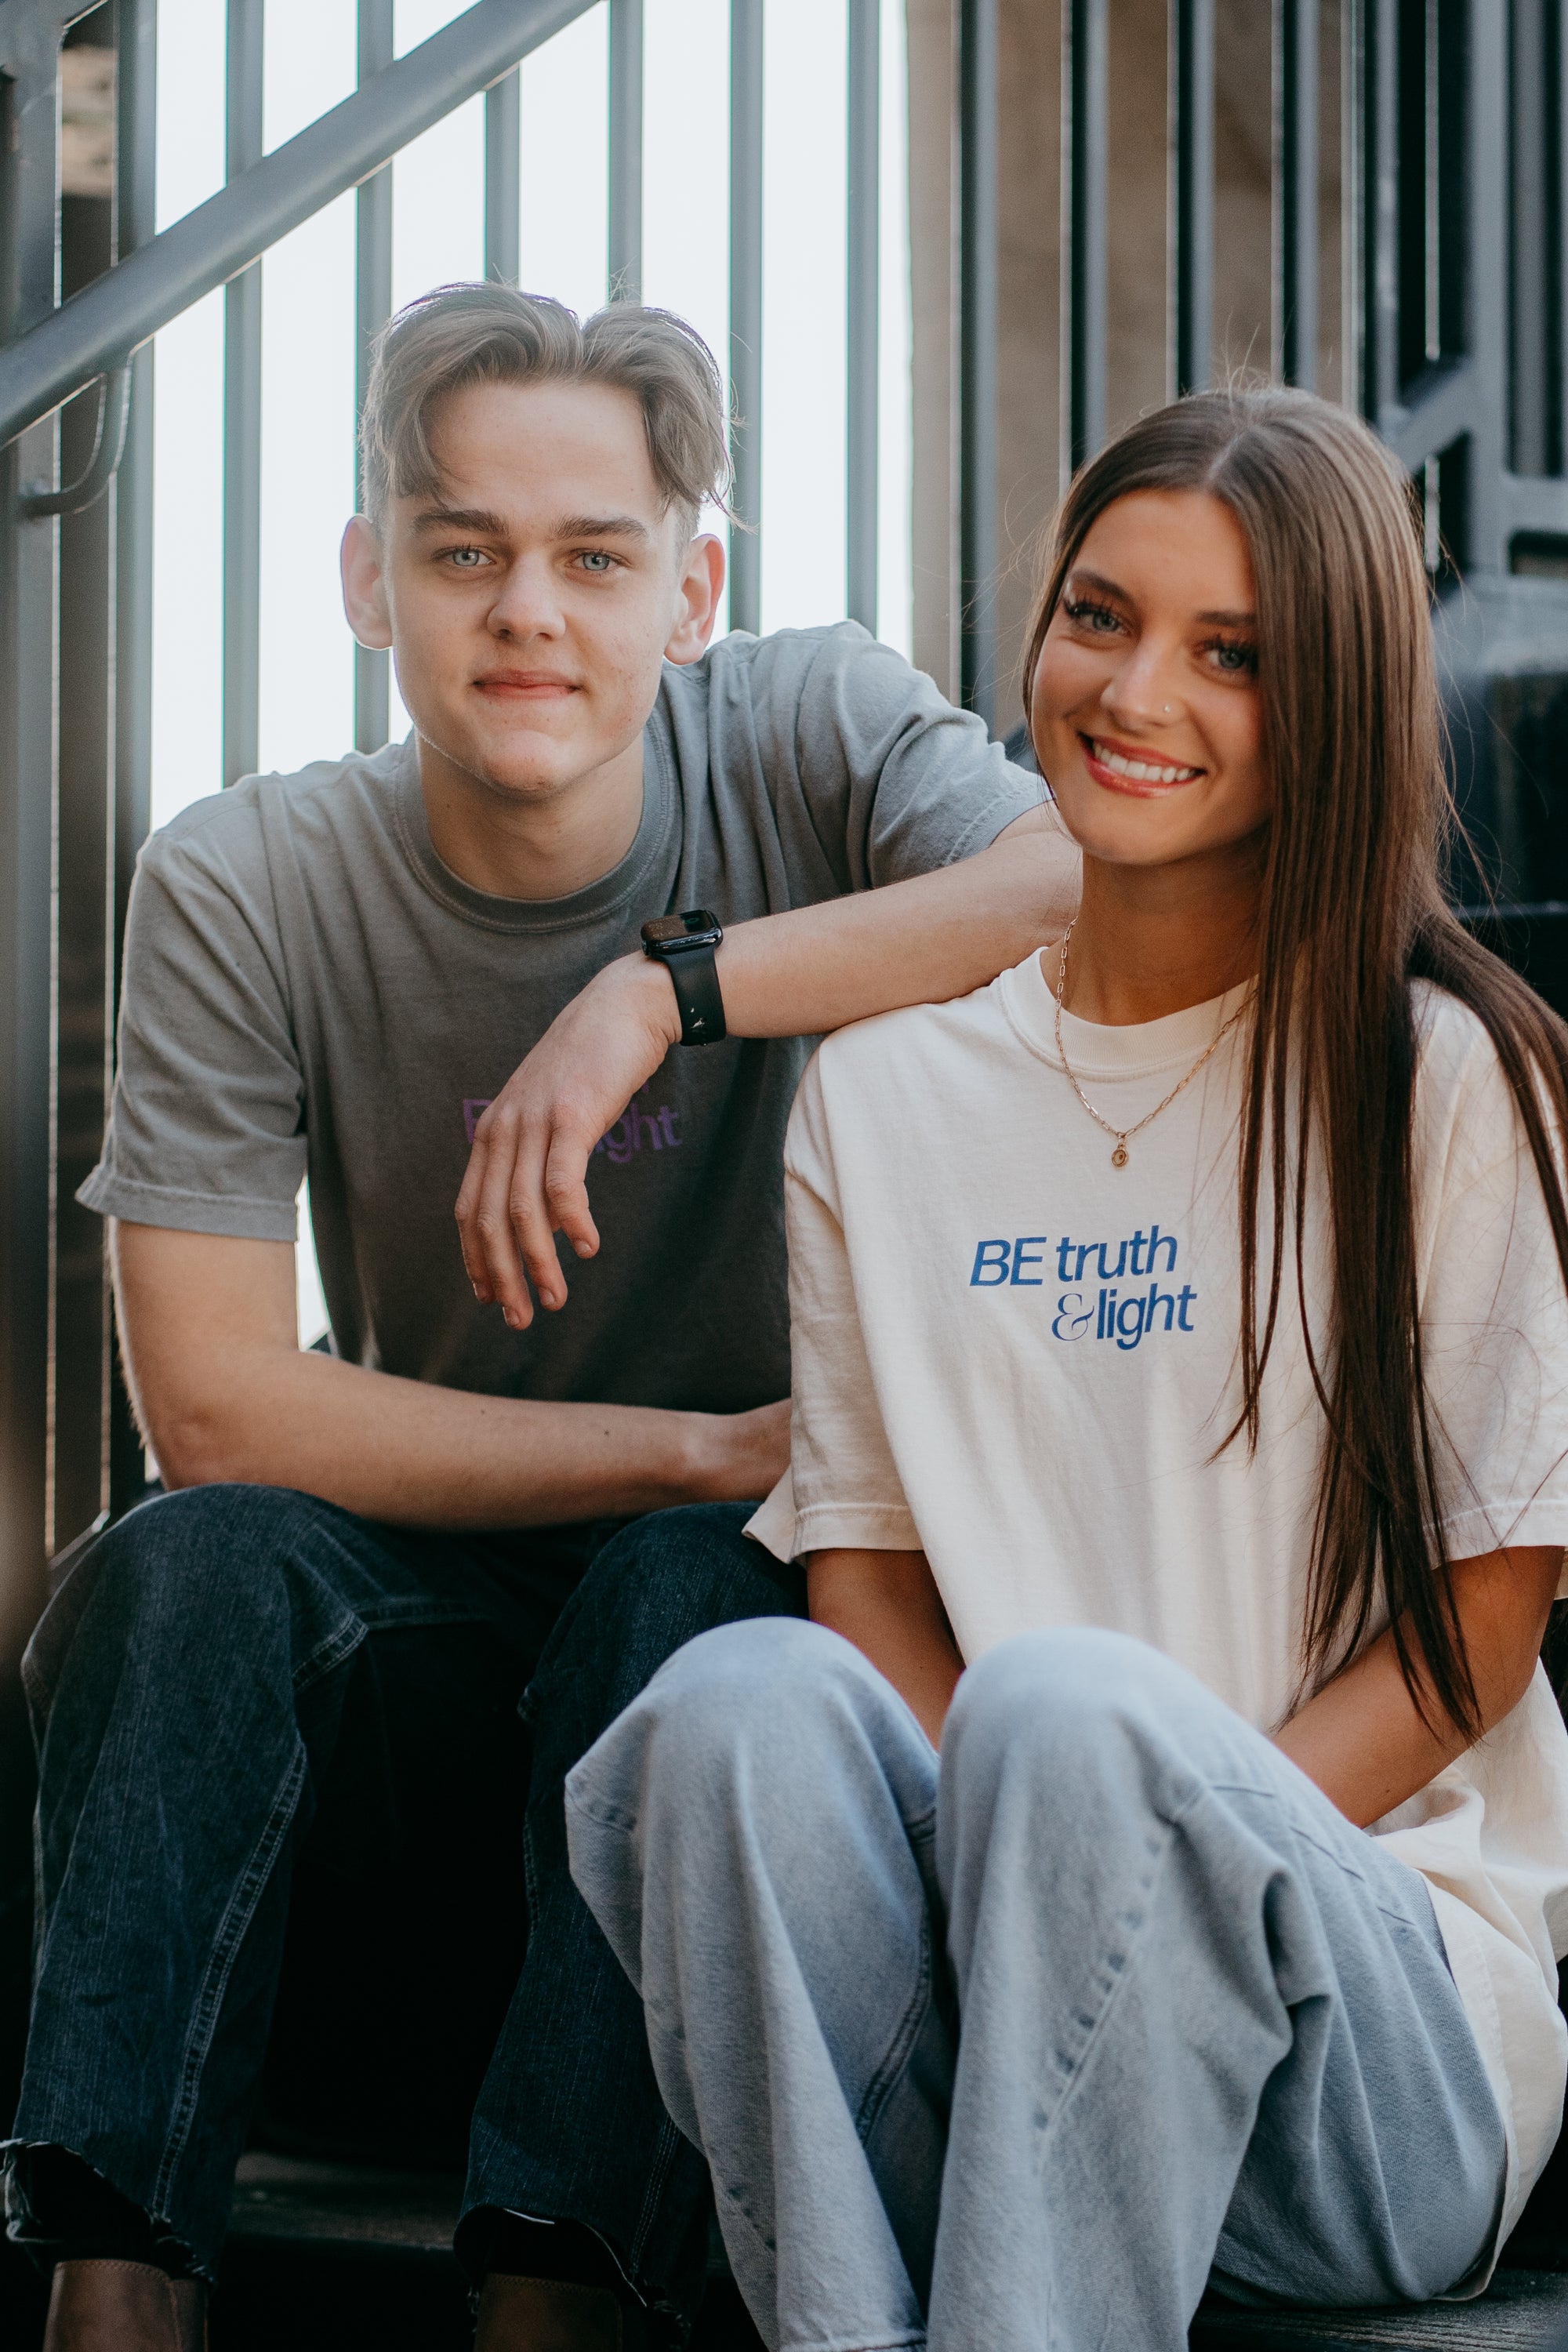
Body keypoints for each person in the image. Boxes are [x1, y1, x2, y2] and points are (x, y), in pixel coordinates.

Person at [2, 284, 1081, 2352]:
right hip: (432, 1651)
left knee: (691, 1588)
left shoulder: (804, 731)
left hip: (732, 1649)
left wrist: (662, 985)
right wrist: (698, 1442)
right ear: (366, 580)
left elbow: (1072, 888)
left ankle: (553, 2295)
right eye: (462, 548)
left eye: (595, 557)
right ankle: (111, 2282)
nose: (528, 613)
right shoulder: (245, 876)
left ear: (692, 590)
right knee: (189, 1561)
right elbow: (219, 1407)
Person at [562, 387, 1568, 2352]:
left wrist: (1140, 1868)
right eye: (1100, 615)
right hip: (1016, 1967)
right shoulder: (880, 1098)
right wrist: (1016, 1906)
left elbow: (1485, 1628)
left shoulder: (1446, 1076)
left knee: (1080, 1724)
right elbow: (860, 1571)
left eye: (1233, 655)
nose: (1138, 691)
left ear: (1339, 700)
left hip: (1377, 2038)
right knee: (734, 1702)